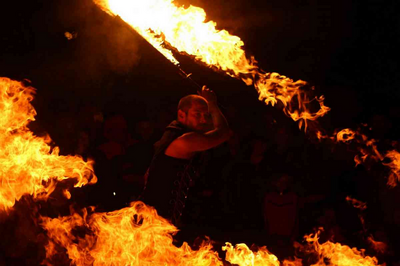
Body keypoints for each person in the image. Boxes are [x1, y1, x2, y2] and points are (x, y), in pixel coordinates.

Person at [141, 86, 230, 225]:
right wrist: (212, 104)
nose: (203, 120)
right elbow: (223, 133)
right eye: (197, 114)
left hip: (156, 221)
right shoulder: (186, 140)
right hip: (159, 224)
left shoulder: (171, 134)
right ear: (182, 115)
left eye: (206, 115)